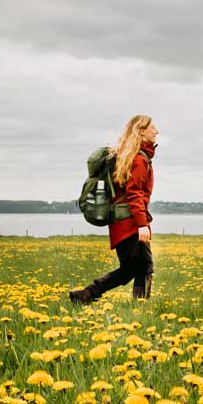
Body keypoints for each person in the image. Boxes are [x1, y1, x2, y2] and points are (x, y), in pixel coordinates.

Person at [69, 115, 158, 303]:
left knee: (128, 269)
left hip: (119, 222)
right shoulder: (139, 159)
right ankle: (140, 307)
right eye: (153, 128)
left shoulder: (126, 156)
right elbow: (134, 194)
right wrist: (142, 225)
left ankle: (85, 295)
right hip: (131, 222)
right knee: (144, 266)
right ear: (141, 131)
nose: (156, 131)